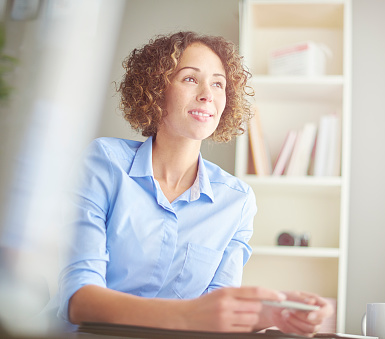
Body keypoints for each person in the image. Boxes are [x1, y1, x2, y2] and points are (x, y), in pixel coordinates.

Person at [57, 31, 332, 336]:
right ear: (156, 89)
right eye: (190, 79)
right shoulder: (105, 161)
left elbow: (218, 318)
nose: (207, 95)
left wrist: (273, 313)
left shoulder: (237, 201)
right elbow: (78, 301)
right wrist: (188, 316)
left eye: (218, 83)